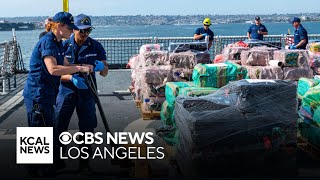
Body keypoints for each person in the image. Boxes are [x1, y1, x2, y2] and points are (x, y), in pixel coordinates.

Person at [23, 11, 93, 177]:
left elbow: (66, 63)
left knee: (44, 136)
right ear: (60, 26)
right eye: (70, 28)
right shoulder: (47, 42)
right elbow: (53, 69)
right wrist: (79, 69)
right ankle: (36, 172)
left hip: (46, 95)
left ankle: (42, 170)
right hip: (37, 95)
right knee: (38, 136)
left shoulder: (59, 43)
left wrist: (83, 66)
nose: (72, 31)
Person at [54, 14, 108, 172]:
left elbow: (105, 72)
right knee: (59, 125)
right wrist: (70, 77)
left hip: (87, 92)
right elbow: (55, 72)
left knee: (87, 129)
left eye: (88, 31)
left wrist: (100, 67)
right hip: (66, 91)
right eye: (81, 31)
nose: (85, 34)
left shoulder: (96, 46)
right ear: (74, 29)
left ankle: (84, 163)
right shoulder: (63, 46)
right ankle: (57, 160)